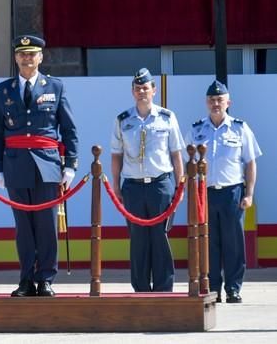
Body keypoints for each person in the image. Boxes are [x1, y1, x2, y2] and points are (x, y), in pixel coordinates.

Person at [0, 35, 78, 297]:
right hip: (15, 165)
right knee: (23, 227)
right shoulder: (3, 90)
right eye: (22, 54)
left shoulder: (55, 86)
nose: (27, 58)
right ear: (16, 57)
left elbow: (69, 129)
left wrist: (70, 165)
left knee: (47, 225)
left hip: (47, 165)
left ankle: (46, 279)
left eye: (32, 54)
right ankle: (26, 279)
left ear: (41, 57)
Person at [186, 80, 261, 304]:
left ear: (228, 102)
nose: (215, 103)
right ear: (206, 102)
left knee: (233, 243)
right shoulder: (197, 129)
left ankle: (233, 288)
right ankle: (213, 288)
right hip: (205, 194)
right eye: (212, 100)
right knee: (209, 243)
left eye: (220, 100)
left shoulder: (240, 128)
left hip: (232, 193)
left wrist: (249, 194)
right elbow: (186, 161)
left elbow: (250, 163)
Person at [110, 68, 184, 292]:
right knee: (138, 239)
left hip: (161, 184)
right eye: (138, 88)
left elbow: (176, 154)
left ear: (154, 90)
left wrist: (180, 186)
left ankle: (163, 288)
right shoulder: (123, 120)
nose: (142, 91)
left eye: (146, 87)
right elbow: (116, 155)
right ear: (132, 92)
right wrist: (115, 185)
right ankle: (141, 288)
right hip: (132, 186)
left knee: (160, 238)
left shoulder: (167, 117)